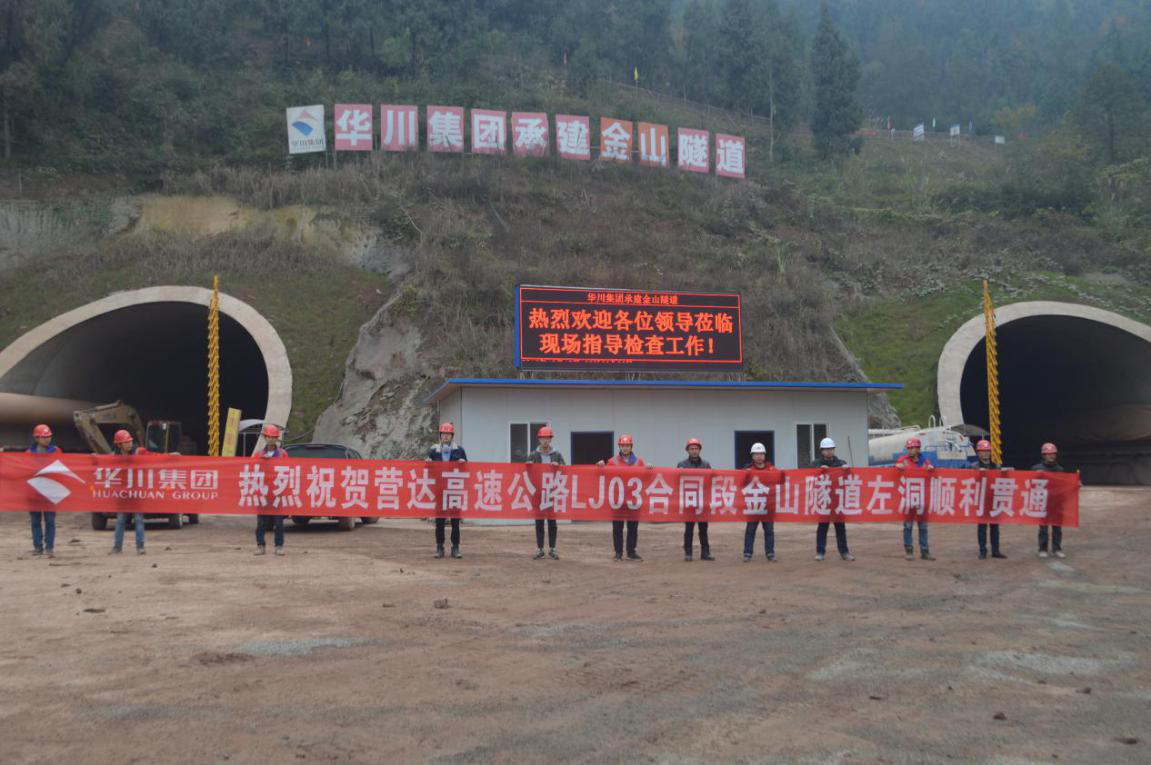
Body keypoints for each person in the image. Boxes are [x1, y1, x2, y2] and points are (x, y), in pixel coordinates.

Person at [597, 434, 649, 561]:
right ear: (619, 446)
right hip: (617, 500)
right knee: (617, 528)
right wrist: (600, 467)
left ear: (631, 446)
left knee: (633, 528)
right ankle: (618, 553)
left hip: (633, 500)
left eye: (627, 445)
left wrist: (649, 468)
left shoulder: (639, 462)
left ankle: (631, 552)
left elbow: (645, 477)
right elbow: (605, 476)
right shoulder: (612, 461)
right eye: (623, 445)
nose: (625, 448)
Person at [428, 422, 467, 559]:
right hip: (439, 489)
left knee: (455, 521)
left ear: (452, 436)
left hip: (454, 489)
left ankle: (455, 547)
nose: (445, 436)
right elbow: (428, 470)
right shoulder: (434, 450)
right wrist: (428, 464)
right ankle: (440, 547)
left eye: (448, 434)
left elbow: (467, 469)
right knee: (439, 521)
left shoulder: (459, 450)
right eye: (443, 434)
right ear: (440, 435)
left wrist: (463, 464)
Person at [813, 438, 855, 561]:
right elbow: (809, 473)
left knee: (840, 528)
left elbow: (851, 478)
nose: (829, 451)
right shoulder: (816, 463)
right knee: (822, 528)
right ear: (821, 451)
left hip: (837, 500)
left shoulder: (841, 463)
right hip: (824, 499)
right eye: (826, 449)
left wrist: (848, 470)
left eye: (831, 449)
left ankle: (844, 552)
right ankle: (820, 552)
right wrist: (819, 469)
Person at [527, 425, 564, 560]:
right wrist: (529, 466)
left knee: (552, 522)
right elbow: (526, 472)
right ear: (539, 439)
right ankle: (540, 549)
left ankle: (553, 548)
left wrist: (559, 467)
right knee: (539, 521)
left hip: (552, 492)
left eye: (547, 438)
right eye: (543, 438)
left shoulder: (557, 454)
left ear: (550, 439)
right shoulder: (533, 454)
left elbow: (566, 470)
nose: (545, 440)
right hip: (538, 493)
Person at [896, 437, 936, 561]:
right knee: (908, 526)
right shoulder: (903, 460)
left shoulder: (925, 461)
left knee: (923, 526)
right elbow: (897, 466)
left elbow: (932, 469)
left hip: (922, 498)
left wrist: (931, 468)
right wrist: (899, 466)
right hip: (908, 498)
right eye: (909, 448)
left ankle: (925, 551)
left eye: (913, 448)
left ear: (918, 449)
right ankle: (909, 550)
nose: (910, 450)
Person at [110, 430, 149, 555]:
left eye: (130, 441)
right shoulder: (113, 457)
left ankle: (140, 547)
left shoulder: (139, 452)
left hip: (136, 493)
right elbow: (99, 465)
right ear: (119, 445)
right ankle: (117, 547)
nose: (129, 444)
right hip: (122, 494)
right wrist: (93, 458)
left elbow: (154, 457)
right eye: (126, 442)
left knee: (139, 519)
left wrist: (170, 456)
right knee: (120, 520)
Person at [27, 424, 61, 558]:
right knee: (35, 521)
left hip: (50, 492)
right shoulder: (28, 453)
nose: (47, 439)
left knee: (50, 521)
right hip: (34, 492)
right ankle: (38, 547)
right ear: (36, 438)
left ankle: (49, 548)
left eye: (49, 436)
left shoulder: (56, 451)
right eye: (44, 437)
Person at [677, 438, 714, 561]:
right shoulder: (682, 465)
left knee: (703, 529)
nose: (694, 451)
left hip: (702, 502)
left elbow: (711, 481)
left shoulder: (706, 465)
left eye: (696, 448)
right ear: (687, 450)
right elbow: (676, 482)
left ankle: (705, 553)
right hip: (689, 502)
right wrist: (678, 473)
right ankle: (688, 553)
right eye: (691, 449)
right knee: (689, 529)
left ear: (699, 450)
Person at [254, 424, 288, 556]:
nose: (271, 439)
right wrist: (262, 462)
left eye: (273, 437)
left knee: (278, 522)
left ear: (276, 438)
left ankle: (279, 546)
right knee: (261, 522)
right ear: (265, 437)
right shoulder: (258, 454)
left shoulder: (282, 454)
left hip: (277, 493)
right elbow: (252, 470)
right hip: (262, 492)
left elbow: (288, 470)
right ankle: (260, 546)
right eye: (269, 436)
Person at [973, 439, 1009, 559]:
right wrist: (977, 472)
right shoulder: (974, 467)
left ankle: (995, 550)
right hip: (981, 500)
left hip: (994, 499)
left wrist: (1005, 473)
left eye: (987, 451)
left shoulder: (996, 466)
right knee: (982, 527)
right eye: (983, 451)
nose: (986, 453)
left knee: (995, 527)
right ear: (978, 453)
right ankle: (982, 551)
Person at [741, 442, 776, 562]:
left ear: (764, 455)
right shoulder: (747, 469)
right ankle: (747, 553)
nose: (759, 456)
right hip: (753, 505)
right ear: (752, 456)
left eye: (761, 453)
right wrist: (745, 475)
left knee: (769, 531)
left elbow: (781, 480)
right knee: (750, 530)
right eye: (756, 454)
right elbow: (740, 483)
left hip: (767, 505)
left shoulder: (771, 469)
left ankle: (770, 553)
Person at [1033, 442, 1066, 559]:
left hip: (1056, 503)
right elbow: (1030, 484)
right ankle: (1042, 549)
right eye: (1048, 454)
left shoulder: (1060, 469)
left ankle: (1057, 549)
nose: (1051, 456)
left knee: (1057, 527)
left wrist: (1075, 484)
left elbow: (1065, 485)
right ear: (1043, 455)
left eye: (1053, 453)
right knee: (1043, 528)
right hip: (1043, 502)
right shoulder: (1036, 469)